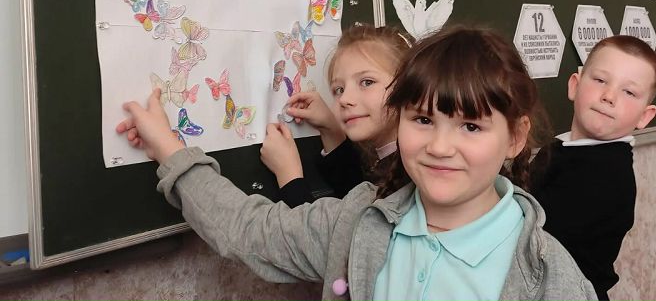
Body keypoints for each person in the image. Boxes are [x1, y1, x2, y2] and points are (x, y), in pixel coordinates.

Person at [116, 27, 596, 300]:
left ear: (515, 138)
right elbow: (248, 230)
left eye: (470, 126)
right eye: (422, 120)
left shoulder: (550, 277)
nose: (440, 146)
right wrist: (170, 150)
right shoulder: (359, 219)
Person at [529, 35, 656, 300]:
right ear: (574, 86)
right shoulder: (558, 149)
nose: (609, 96)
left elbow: (534, 242)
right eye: (600, 80)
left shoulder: (608, 175)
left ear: (644, 116)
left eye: (629, 92)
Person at [260, 24, 411, 207]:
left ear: (409, 85)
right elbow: (354, 197)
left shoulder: (414, 173)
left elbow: (351, 222)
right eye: (339, 89)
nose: (345, 99)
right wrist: (331, 130)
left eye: (367, 82)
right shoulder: (396, 159)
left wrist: (288, 175)